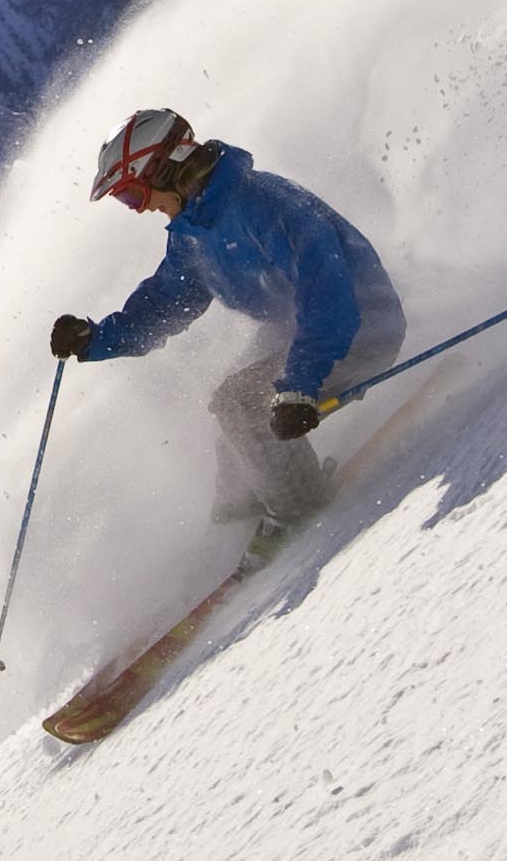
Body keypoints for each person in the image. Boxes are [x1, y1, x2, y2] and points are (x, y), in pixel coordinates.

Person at [50, 108, 406, 541]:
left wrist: (299, 384)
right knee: (232, 427)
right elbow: (166, 301)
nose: (139, 210)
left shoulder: (265, 206)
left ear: (164, 170)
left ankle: (301, 512)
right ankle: (239, 519)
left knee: (243, 406)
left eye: (133, 196)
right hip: (298, 333)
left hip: (360, 328)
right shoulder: (193, 230)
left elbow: (328, 294)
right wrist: (97, 339)